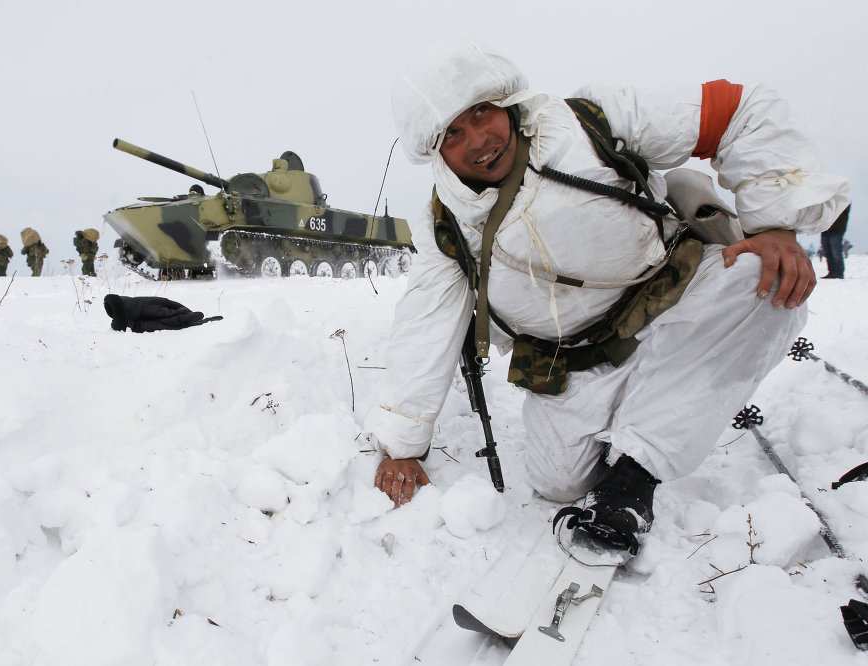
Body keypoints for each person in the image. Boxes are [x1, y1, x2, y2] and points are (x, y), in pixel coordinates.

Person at [364, 47, 850, 556]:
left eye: (481, 113)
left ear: (505, 102)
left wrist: (774, 225)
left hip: (678, 300)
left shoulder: (591, 121)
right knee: (560, 485)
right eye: (453, 135)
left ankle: (635, 479)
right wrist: (403, 446)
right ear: (436, 152)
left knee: (765, 283)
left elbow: (736, 109)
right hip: (577, 358)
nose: (478, 141)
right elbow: (426, 324)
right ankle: (651, 403)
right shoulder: (445, 225)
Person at [821, 205, 851, 278]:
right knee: (828, 253)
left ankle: (839, 273)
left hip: (837, 231)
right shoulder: (827, 201)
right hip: (825, 230)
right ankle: (831, 272)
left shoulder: (843, 201)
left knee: (836, 252)